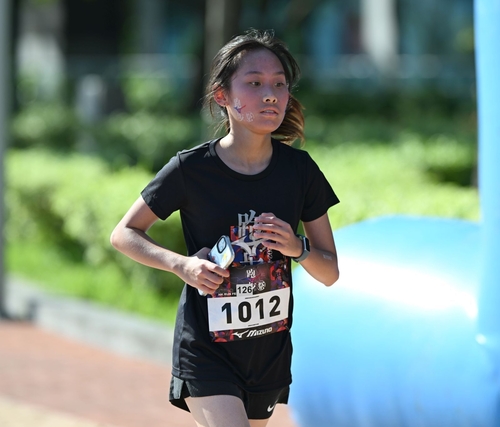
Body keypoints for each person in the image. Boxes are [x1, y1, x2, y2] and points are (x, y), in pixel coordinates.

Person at [110, 29, 340, 427]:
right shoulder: (190, 169)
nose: (271, 95)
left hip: (267, 352)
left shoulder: (301, 171)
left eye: (279, 84)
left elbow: (330, 272)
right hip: (206, 350)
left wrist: (296, 247)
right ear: (222, 96)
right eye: (254, 83)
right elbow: (124, 234)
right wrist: (182, 265)